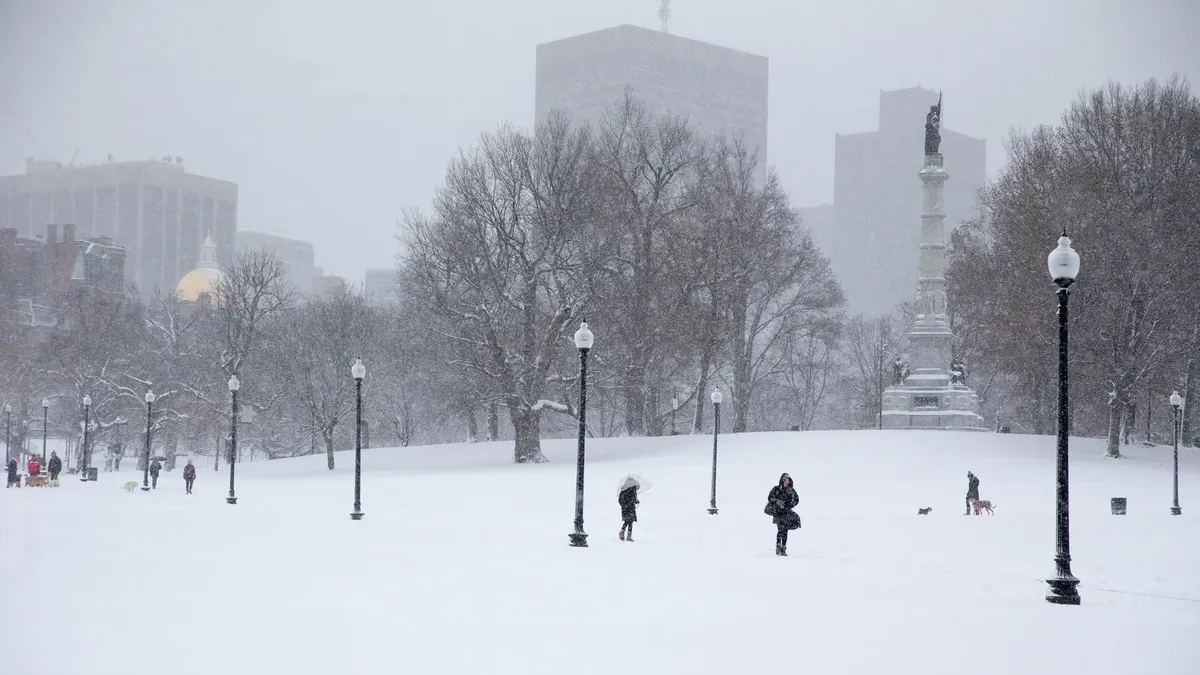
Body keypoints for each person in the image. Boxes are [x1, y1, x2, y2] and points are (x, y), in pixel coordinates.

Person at [766, 473, 801, 556]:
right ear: (782, 480)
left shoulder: (791, 490)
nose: (786, 482)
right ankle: (778, 548)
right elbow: (770, 497)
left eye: (788, 480)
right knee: (780, 530)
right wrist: (777, 501)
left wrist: (789, 505)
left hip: (786, 513)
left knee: (785, 531)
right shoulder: (776, 489)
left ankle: (783, 548)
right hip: (778, 512)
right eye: (785, 480)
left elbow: (796, 500)